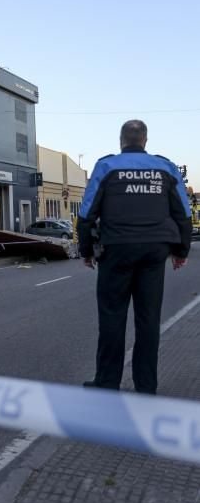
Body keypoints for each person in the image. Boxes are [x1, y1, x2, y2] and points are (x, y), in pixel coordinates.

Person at [77, 120, 192, 395]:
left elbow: (86, 214)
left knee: (112, 318)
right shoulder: (166, 167)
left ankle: (107, 383)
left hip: (116, 250)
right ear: (145, 141)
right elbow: (183, 214)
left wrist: (86, 251)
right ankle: (146, 387)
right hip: (154, 252)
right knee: (149, 320)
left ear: (121, 141)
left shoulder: (105, 166)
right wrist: (181, 251)